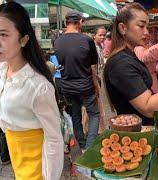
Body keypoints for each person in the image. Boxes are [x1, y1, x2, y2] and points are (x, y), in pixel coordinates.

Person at [0, 2, 63, 179]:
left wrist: (50, 177)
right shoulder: (4, 70)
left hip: (37, 170)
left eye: (4, 34)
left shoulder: (38, 86)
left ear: (23, 39)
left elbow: (54, 139)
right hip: (18, 163)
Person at [54, 10, 100, 150]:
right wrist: (96, 85)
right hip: (85, 86)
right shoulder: (87, 40)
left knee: (76, 115)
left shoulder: (57, 42)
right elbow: (93, 66)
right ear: (80, 22)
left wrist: (60, 88)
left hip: (67, 87)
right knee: (94, 114)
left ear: (65, 23)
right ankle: (90, 146)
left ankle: (82, 145)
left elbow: (56, 69)